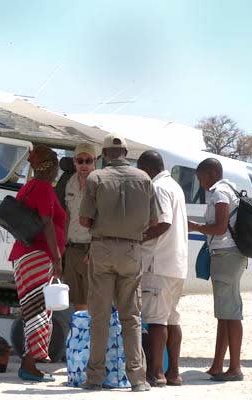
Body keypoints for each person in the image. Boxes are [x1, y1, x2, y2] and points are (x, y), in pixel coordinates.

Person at [79, 133, 159, 392]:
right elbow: (154, 221)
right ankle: (137, 378)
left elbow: (84, 221)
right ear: (126, 154)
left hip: (102, 249)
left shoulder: (96, 177)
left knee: (99, 317)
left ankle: (94, 378)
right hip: (132, 250)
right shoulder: (145, 178)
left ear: (103, 156)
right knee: (131, 317)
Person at [7, 144, 66, 382]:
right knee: (38, 311)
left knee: (33, 310)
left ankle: (29, 364)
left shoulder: (29, 187)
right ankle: (29, 367)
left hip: (25, 255)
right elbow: (48, 224)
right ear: (50, 168)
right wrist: (58, 258)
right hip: (38, 257)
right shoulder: (43, 188)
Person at [187, 158, 247, 382]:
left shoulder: (219, 193)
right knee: (224, 312)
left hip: (226, 255)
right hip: (228, 255)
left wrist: (195, 227)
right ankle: (217, 365)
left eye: (200, 177)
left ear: (210, 174)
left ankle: (235, 368)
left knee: (230, 312)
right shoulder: (229, 188)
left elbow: (220, 228)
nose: (200, 182)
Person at [137, 150, 188, 387]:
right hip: (176, 265)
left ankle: (156, 373)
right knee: (171, 320)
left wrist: (141, 237)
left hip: (158, 264)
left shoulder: (158, 188)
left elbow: (164, 221)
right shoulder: (175, 186)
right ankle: (173, 373)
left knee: (155, 321)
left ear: (147, 168)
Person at [63, 143, 97, 311]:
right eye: (80, 161)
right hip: (72, 249)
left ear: (95, 162)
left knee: (93, 302)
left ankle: (94, 337)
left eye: (88, 160)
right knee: (77, 302)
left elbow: (103, 219)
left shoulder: (99, 184)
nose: (84, 165)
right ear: (74, 162)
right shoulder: (70, 183)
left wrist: (94, 248)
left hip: (90, 250)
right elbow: (68, 215)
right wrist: (62, 247)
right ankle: (82, 336)